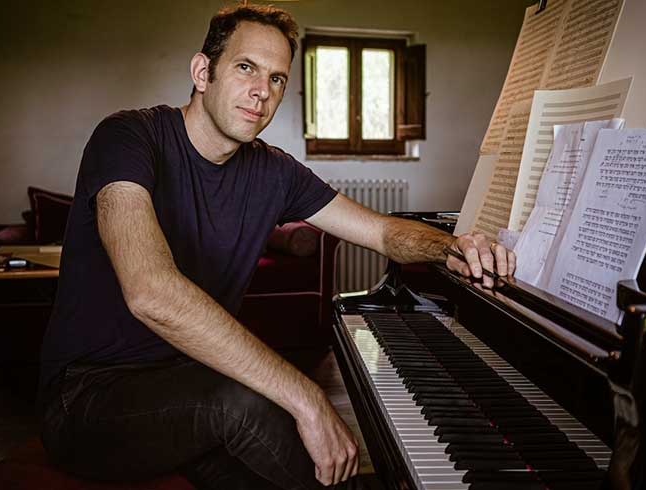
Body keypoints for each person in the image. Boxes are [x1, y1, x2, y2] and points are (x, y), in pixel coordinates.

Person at [38, 4, 516, 489]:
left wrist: (452, 248)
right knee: (251, 402)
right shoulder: (128, 137)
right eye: (246, 68)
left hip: (188, 383)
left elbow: (382, 232)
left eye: (278, 79)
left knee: (289, 460)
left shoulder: (274, 172)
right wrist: (308, 397)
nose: (262, 92)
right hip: (86, 397)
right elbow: (150, 292)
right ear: (203, 72)